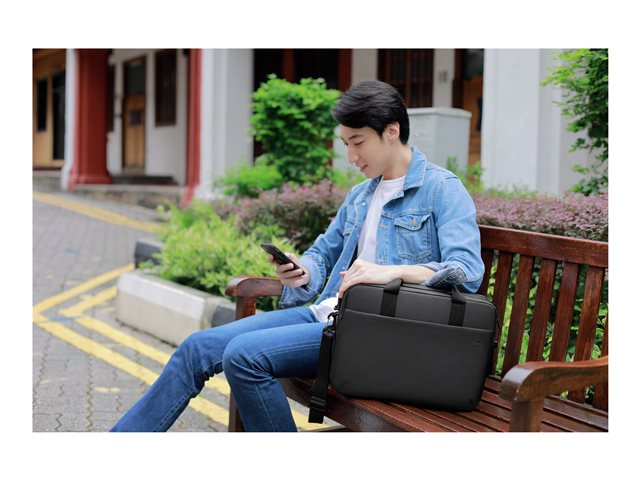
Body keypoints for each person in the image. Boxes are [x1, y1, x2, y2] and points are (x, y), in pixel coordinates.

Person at [110, 79, 484, 432]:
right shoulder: (361, 195)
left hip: (375, 333)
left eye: (358, 142)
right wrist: (302, 270)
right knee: (197, 347)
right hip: (327, 316)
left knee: (244, 356)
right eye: (346, 144)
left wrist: (391, 273)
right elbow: (323, 253)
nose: (351, 156)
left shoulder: (441, 189)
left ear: (391, 131)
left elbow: (466, 271)